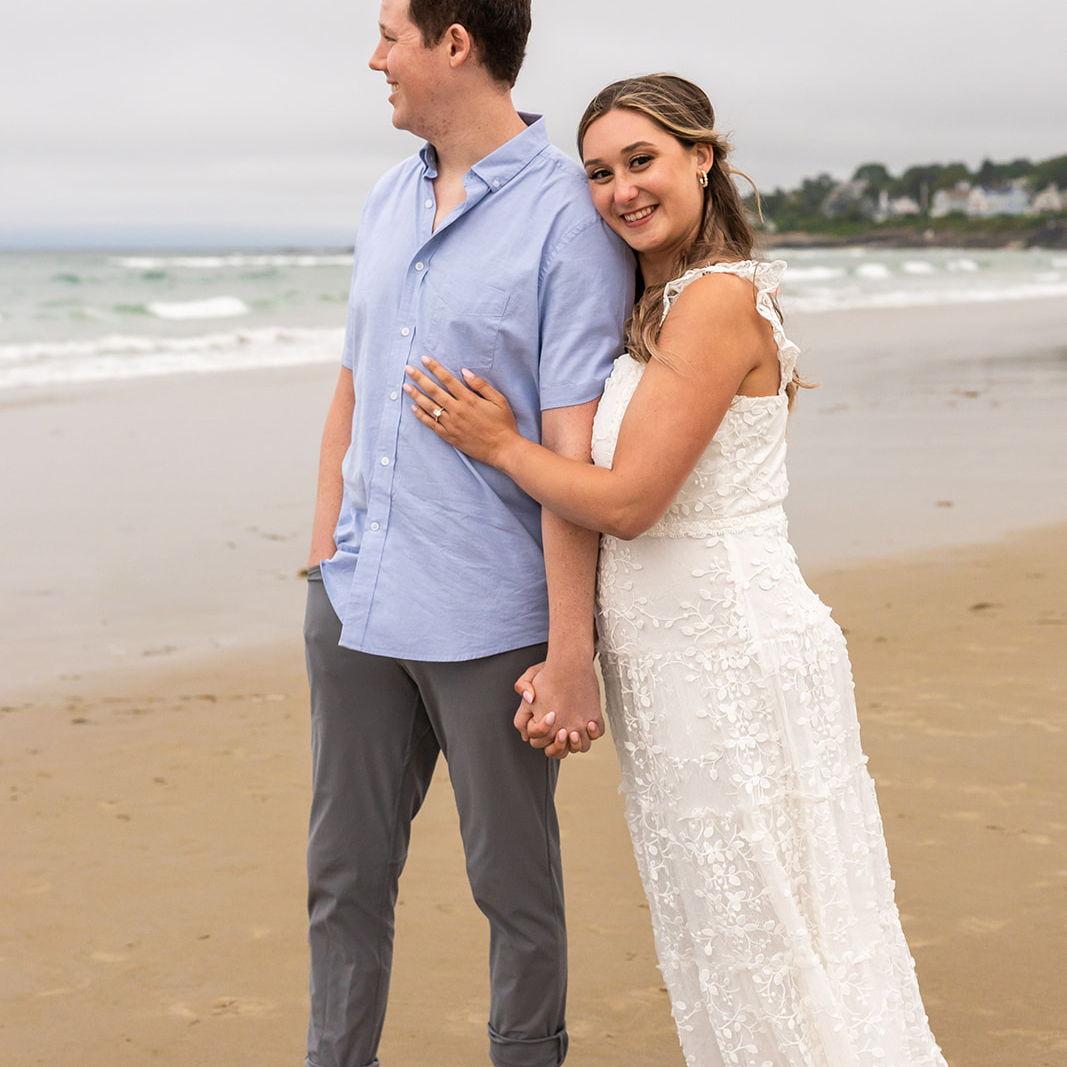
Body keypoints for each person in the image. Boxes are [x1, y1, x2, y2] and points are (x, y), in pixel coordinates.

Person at [404, 73, 950, 1066]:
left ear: (701, 158)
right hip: (673, 669)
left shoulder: (713, 301)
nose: (619, 190)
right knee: (729, 935)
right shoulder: (651, 304)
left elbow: (627, 502)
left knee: (774, 934)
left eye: (640, 160)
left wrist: (499, 444)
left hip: (732, 654)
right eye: (597, 173)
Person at [301, 2, 634, 1065]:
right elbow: (352, 382)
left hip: (491, 617)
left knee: (512, 886)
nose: (374, 58)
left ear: (455, 43)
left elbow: (571, 449)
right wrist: (325, 547)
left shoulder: (568, 219)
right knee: (343, 875)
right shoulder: (386, 196)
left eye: (390, 34)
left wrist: (570, 650)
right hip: (356, 599)